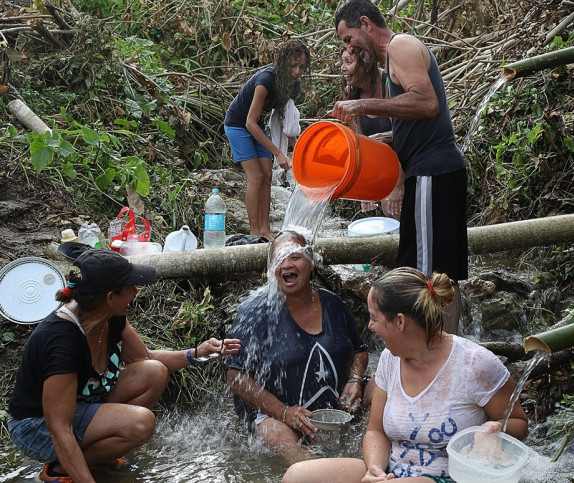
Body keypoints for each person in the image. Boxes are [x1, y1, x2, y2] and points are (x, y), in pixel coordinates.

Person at [7, 248, 241, 483]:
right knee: (141, 423)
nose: (136, 292)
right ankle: (59, 470)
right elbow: (59, 428)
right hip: (36, 428)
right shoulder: (62, 342)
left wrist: (198, 352)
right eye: (130, 287)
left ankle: (98, 456)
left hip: (79, 406)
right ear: (110, 297)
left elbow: (145, 357)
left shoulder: (112, 317)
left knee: (154, 371)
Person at [282, 267, 528, 482]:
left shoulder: (476, 364)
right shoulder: (390, 359)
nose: (369, 327)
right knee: (297, 476)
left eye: (374, 318)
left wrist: (492, 429)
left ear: (400, 322)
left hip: (449, 476)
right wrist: (375, 469)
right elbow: (375, 431)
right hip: (393, 472)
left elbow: (520, 423)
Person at [331, 0, 468, 334]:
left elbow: (426, 101)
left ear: (365, 23)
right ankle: (446, 349)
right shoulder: (393, 60)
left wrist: (362, 104)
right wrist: (390, 136)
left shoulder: (401, 46)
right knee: (441, 273)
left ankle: (434, 351)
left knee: (425, 274)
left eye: (348, 38)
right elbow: (423, 116)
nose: (349, 48)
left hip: (431, 172)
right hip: (435, 171)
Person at [226, 230, 369, 463]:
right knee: (274, 434)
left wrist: (354, 380)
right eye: (279, 259)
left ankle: (372, 459)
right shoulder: (255, 312)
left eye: (294, 257)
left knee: (377, 390)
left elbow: (360, 349)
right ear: (271, 270)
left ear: (312, 263)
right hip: (277, 415)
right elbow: (235, 376)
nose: (286, 265)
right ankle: (314, 473)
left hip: (333, 410)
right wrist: (284, 412)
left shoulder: (333, 303)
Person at [224, 39, 311, 241]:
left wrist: (298, 151)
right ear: (282, 63)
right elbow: (249, 122)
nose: (297, 71)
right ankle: (254, 233)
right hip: (238, 124)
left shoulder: (293, 86)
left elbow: (287, 121)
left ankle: (265, 231)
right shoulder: (266, 81)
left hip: (257, 124)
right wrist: (278, 152)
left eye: (302, 67)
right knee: (255, 176)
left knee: (267, 176)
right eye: (293, 66)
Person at [339, 47, 403, 221]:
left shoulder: (389, 84)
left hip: (408, 158)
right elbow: (361, 144)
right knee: (390, 212)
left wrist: (398, 187)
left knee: (399, 209)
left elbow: (403, 135)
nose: (343, 68)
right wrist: (365, 188)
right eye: (342, 62)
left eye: (349, 62)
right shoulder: (350, 95)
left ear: (366, 66)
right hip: (383, 164)